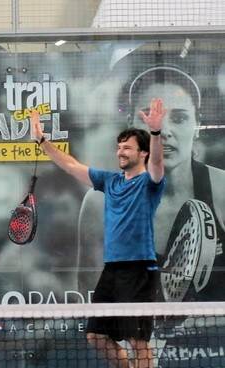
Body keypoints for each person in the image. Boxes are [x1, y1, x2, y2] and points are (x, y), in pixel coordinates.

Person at [30, 97, 165, 368]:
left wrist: (156, 133)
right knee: (95, 336)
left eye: (127, 147)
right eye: (119, 147)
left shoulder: (150, 182)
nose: (121, 152)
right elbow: (71, 165)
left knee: (138, 341)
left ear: (142, 153)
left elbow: (158, 165)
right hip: (112, 270)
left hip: (139, 269)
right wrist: (42, 141)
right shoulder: (110, 181)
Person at [78, 65, 225, 302]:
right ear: (131, 125)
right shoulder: (99, 202)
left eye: (179, 118)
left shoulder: (222, 189)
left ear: (197, 125)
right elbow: (89, 300)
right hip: (130, 328)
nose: (164, 130)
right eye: (148, 117)